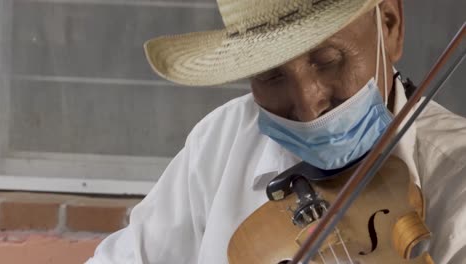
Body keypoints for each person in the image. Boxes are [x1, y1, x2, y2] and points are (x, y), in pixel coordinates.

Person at [86, 0, 466, 263]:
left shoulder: (457, 178)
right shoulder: (220, 140)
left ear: (390, 26)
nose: (307, 105)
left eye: (328, 61)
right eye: (271, 75)